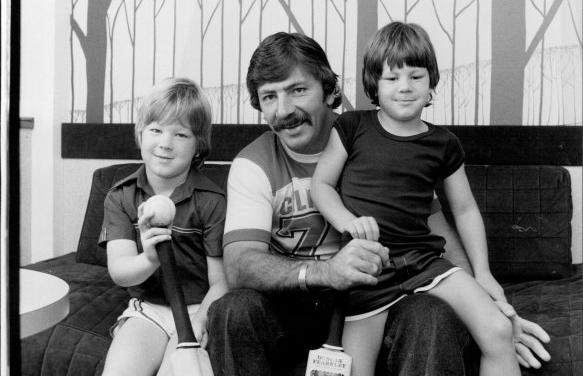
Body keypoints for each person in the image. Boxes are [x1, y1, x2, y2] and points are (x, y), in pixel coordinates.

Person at [206, 32, 551, 376]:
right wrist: (326, 272)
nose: (283, 110)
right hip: (296, 305)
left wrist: (488, 313)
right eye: (269, 97)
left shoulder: (374, 137)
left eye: (298, 90)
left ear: (329, 90)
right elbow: (239, 266)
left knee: (431, 314)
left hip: (381, 293)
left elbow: (435, 230)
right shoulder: (254, 163)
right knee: (232, 310)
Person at [311, 21, 523, 376]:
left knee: (499, 329)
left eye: (416, 76)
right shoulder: (351, 127)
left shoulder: (444, 143)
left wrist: (483, 273)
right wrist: (348, 222)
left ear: (431, 83)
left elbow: (465, 209)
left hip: (425, 263)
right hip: (369, 269)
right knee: (351, 370)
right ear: (374, 85)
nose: (405, 88)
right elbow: (321, 185)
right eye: (392, 78)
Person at [99, 78, 228, 376]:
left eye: (181, 134)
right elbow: (119, 272)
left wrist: (200, 322)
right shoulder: (121, 195)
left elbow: (222, 282)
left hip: (198, 309)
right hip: (149, 309)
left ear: (198, 146)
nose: (165, 143)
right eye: (155, 130)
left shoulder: (212, 202)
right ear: (140, 134)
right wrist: (149, 259)